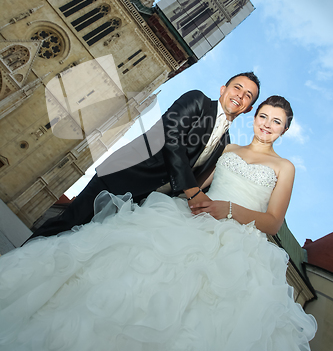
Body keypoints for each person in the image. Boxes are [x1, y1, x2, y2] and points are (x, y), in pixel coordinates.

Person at [0, 95, 320, 351]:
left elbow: (273, 221)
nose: (267, 124)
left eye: (276, 121)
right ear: (254, 117)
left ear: (285, 129)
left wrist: (230, 210)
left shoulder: (284, 167)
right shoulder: (227, 150)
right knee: (127, 279)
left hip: (237, 242)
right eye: (263, 115)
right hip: (190, 219)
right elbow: (193, 184)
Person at [29, 71, 260, 239]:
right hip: (123, 175)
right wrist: (193, 192)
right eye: (237, 87)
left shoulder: (225, 144)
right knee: (66, 225)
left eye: (248, 95)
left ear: (248, 108)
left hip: (144, 205)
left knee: (88, 245)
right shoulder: (197, 100)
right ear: (223, 90)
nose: (240, 95)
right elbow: (170, 137)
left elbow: (203, 179)